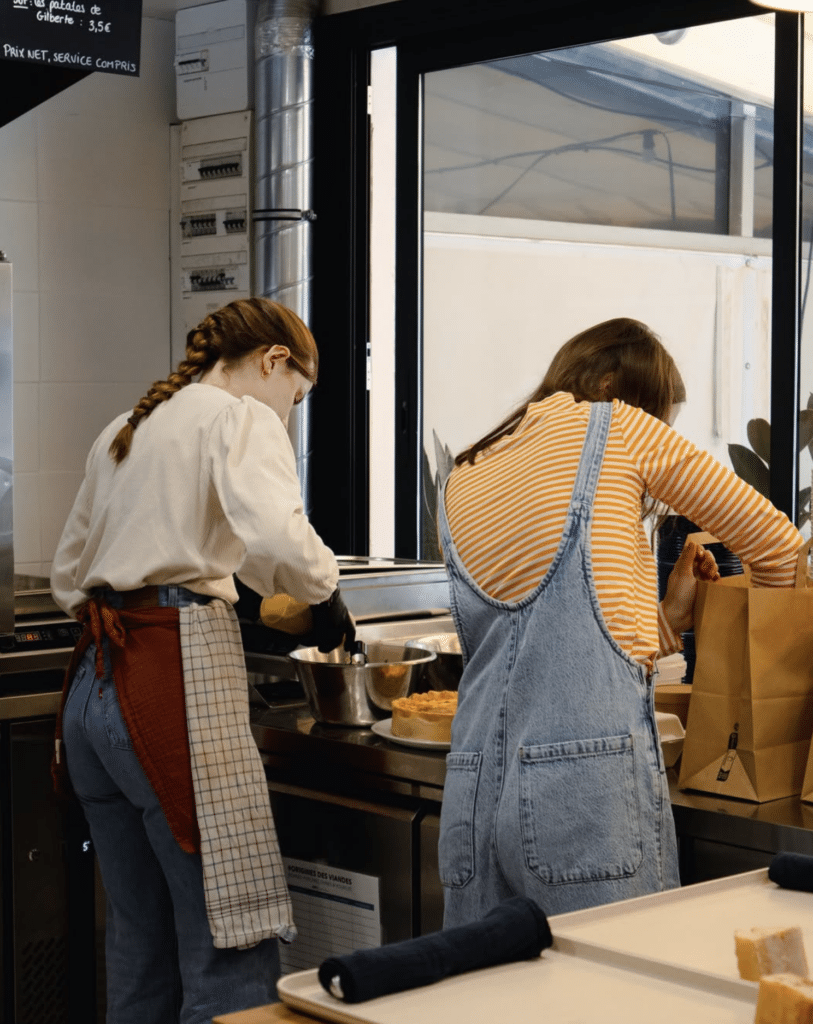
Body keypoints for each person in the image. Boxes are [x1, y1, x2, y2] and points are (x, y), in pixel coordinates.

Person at [437, 317, 803, 928]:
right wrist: (768, 681)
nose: (662, 432)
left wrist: (669, 616)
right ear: (611, 387)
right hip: (582, 795)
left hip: (472, 791)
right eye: (659, 416)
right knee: (615, 980)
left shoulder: (467, 470)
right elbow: (780, 548)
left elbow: (538, 644)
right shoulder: (619, 428)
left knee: (494, 985)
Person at [50, 297, 355, 1024]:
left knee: (140, 938)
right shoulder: (238, 416)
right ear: (274, 361)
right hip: (169, 680)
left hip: (94, 688)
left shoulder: (124, 428)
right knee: (229, 937)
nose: (290, 414)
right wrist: (325, 592)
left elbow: (69, 575)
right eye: (298, 397)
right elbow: (277, 538)